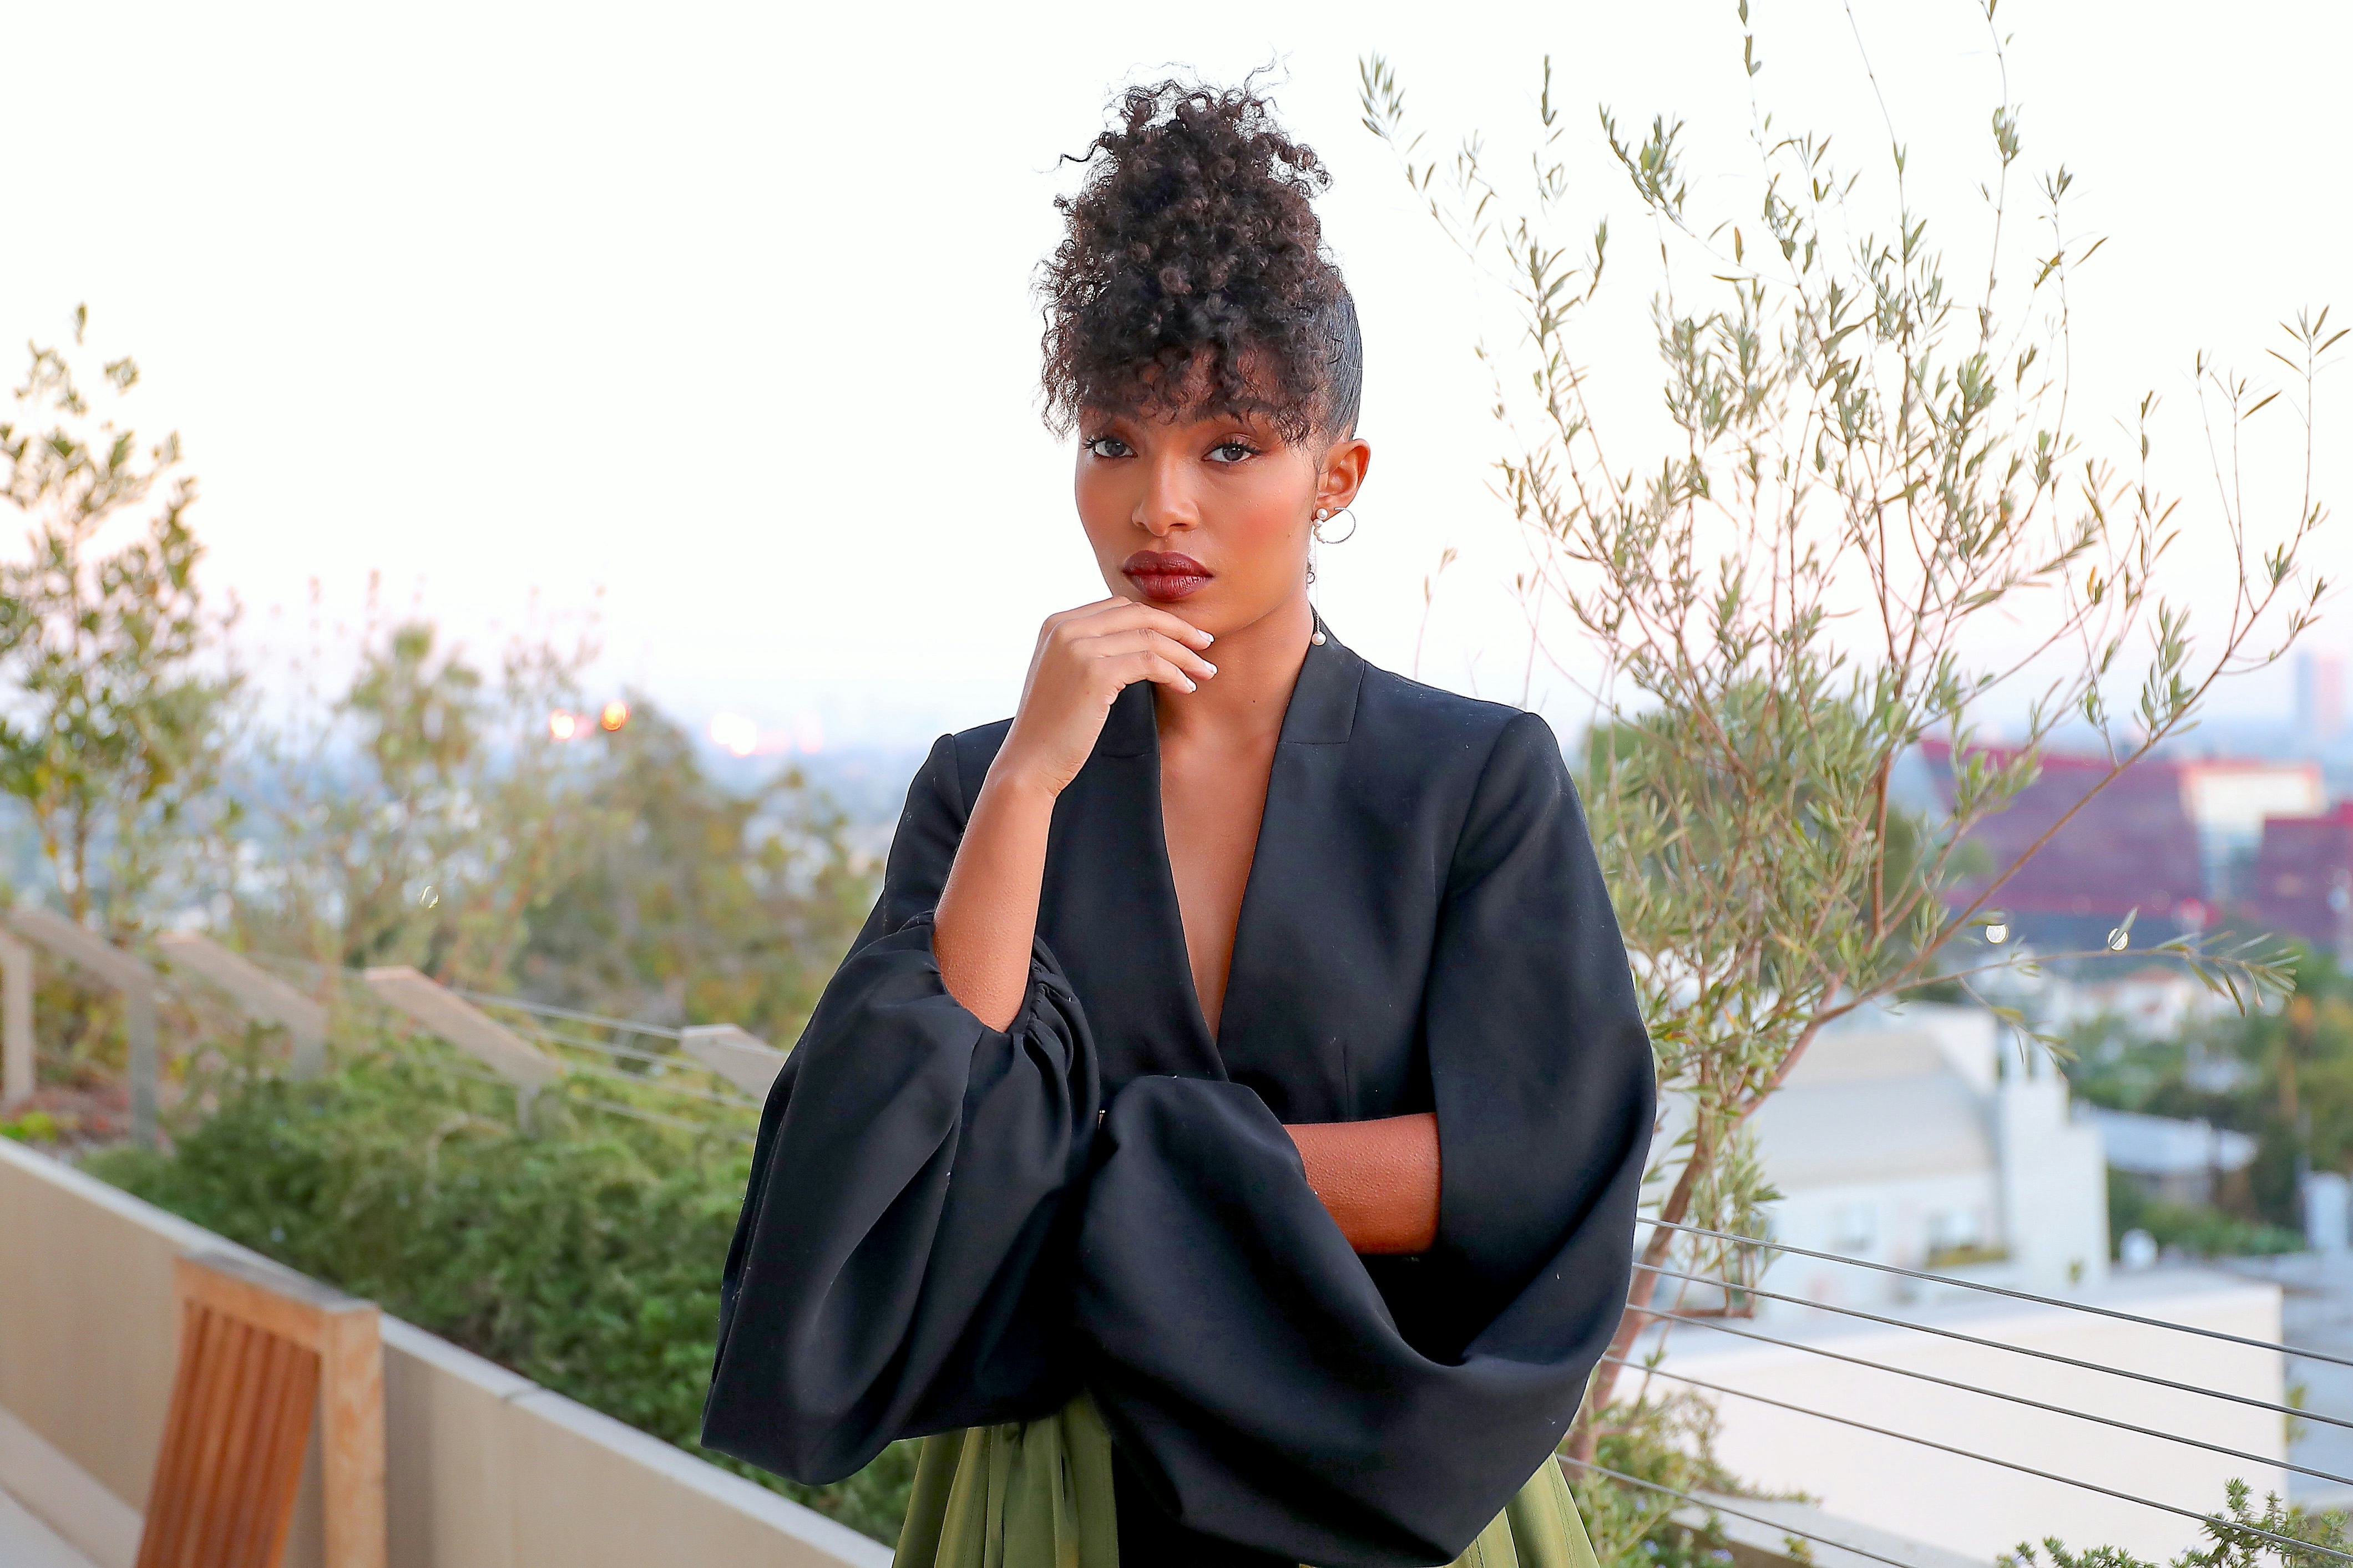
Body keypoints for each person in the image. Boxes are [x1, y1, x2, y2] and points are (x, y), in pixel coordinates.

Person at [701, 80, 1656, 1568]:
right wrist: (1031, 776)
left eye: (1226, 447)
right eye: (1111, 440)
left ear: (1332, 473)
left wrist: (1100, 1165)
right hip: (1061, 1503)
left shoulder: (1473, 778)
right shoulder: (983, 783)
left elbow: (1524, 1173)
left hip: (1379, 1498)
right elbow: (907, 1132)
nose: (1160, 505)